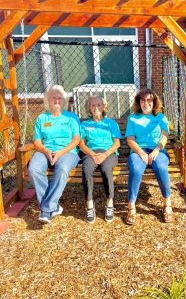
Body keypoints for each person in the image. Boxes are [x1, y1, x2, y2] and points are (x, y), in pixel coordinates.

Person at [28, 85, 80, 223]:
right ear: (48, 101)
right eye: (53, 98)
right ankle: (53, 206)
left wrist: (60, 153)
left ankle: (46, 209)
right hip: (46, 150)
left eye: (59, 98)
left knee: (62, 169)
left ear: (63, 101)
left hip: (68, 151)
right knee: (33, 169)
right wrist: (46, 150)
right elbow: (37, 142)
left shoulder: (72, 117)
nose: (57, 100)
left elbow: (76, 139)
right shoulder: (42, 118)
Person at [125, 89, 173, 225]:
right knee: (135, 168)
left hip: (157, 150)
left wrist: (156, 151)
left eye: (149, 100)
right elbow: (130, 139)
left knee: (161, 167)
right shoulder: (133, 118)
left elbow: (164, 136)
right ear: (139, 102)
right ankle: (131, 206)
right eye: (142, 100)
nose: (146, 103)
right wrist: (141, 153)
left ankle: (167, 203)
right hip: (138, 151)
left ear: (154, 101)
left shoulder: (160, 117)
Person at [79, 95, 121, 223]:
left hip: (109, 153)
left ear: (104, 107)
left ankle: (109, 202)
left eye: (99, 105)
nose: (96, 107)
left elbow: (117, 143)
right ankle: (90, 205)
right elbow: (81, 144)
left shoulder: (111, 123)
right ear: (89, 109)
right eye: (93, 105)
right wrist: (92, 154)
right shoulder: (85, 124)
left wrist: (105, 154)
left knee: (106, 168)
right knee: (87, 169)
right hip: (90, 153)